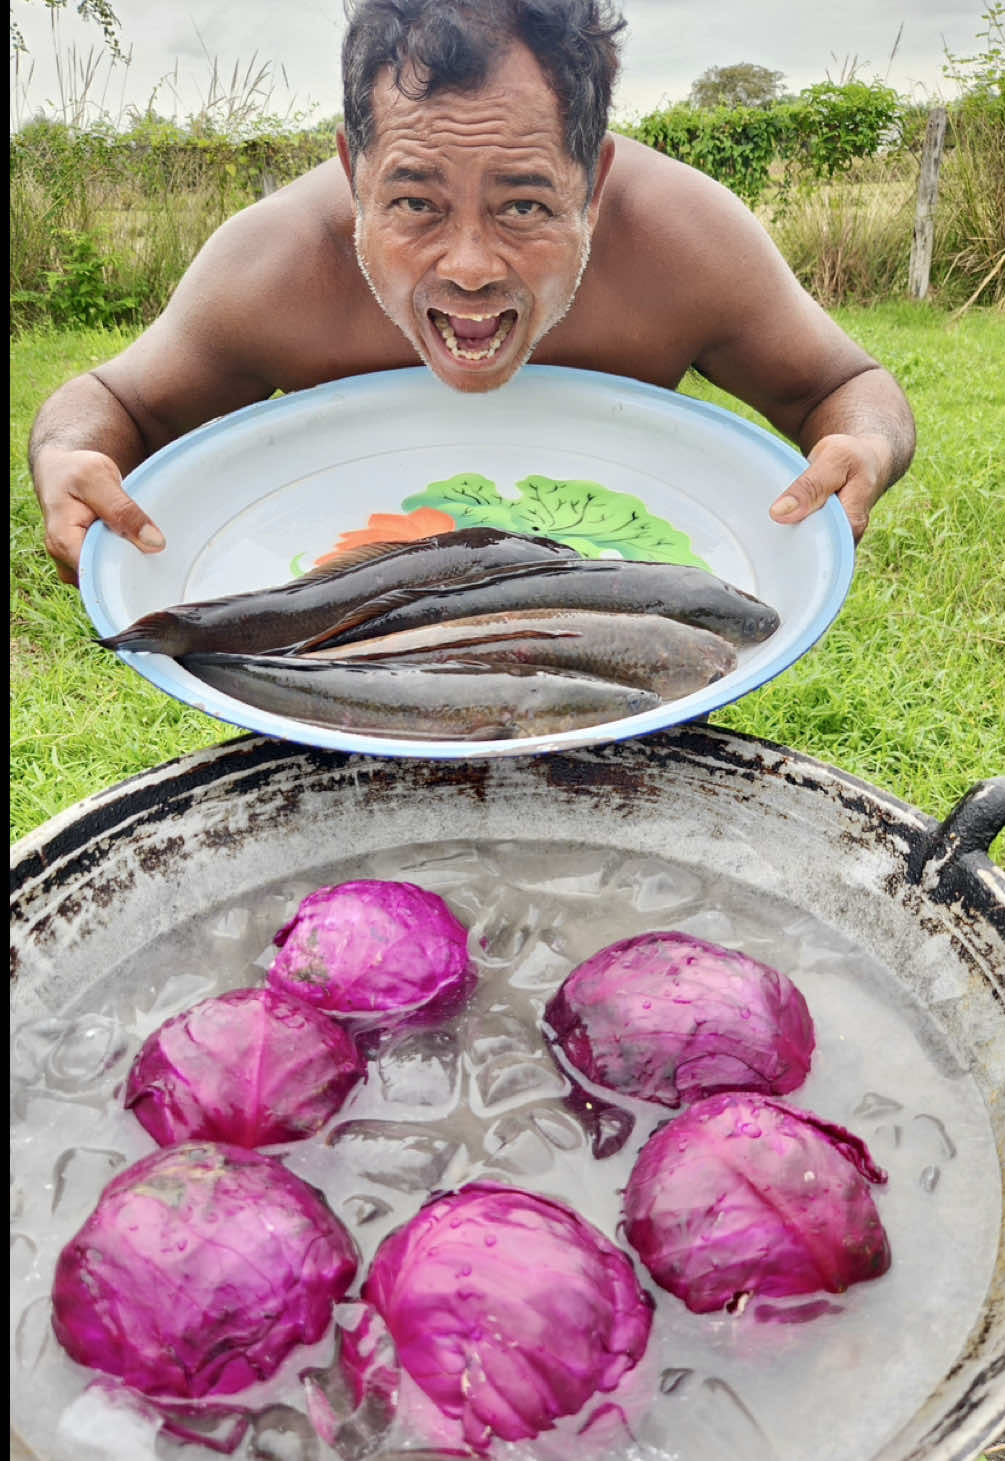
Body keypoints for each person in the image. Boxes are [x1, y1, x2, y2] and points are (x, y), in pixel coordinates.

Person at [29, 0, 915, 587]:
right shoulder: (277, 268)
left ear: (594, 181)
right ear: (351, 171)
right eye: (414, 201)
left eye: (523, 203)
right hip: (347, 656)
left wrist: (863, 448)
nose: (468, 265)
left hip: (616, 655)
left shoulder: (682, 245)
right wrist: (67, 461)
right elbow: (112, 403)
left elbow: (844, 388)